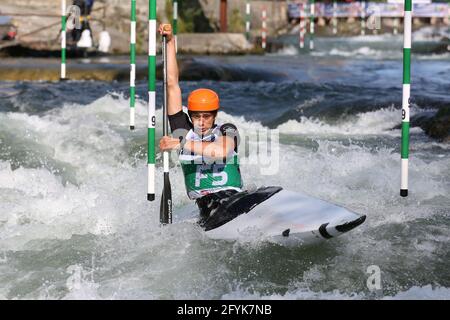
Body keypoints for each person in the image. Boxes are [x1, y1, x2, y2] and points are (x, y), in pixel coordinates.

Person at [158, 23, 243, 223]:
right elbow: (172, 84)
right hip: (206, 209)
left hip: (233, 200)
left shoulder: (227, 130)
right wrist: (170, 42)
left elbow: (221, 151)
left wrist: (181, 144)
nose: (202, 121)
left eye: (207, 116)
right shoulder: (183, 131)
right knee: (209, 204)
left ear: (215, 115)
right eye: (196, 116)